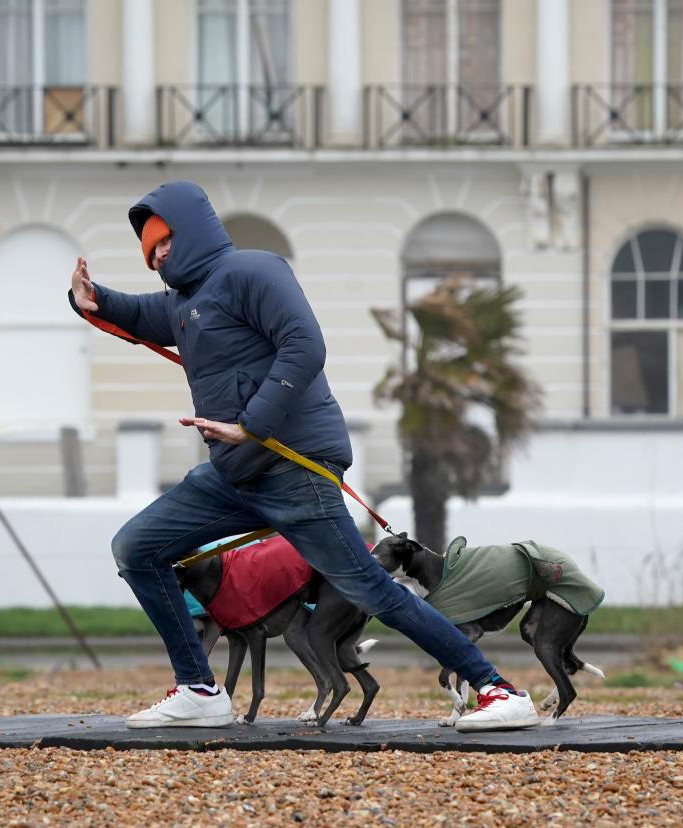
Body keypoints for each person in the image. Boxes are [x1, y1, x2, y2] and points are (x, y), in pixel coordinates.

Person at [68, 180, 539, 731]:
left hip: (294, 468)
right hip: (234, 475)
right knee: (136, 547)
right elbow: (134, 312)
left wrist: (251, 425)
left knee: (369, 586)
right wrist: (90, 298)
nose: (159, 254)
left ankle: (498, 691)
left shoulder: (255, 271)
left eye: (165, 239)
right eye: (150, 250)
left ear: (192, 227)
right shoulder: (184, 303)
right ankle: (199, 689)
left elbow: (305, 344)